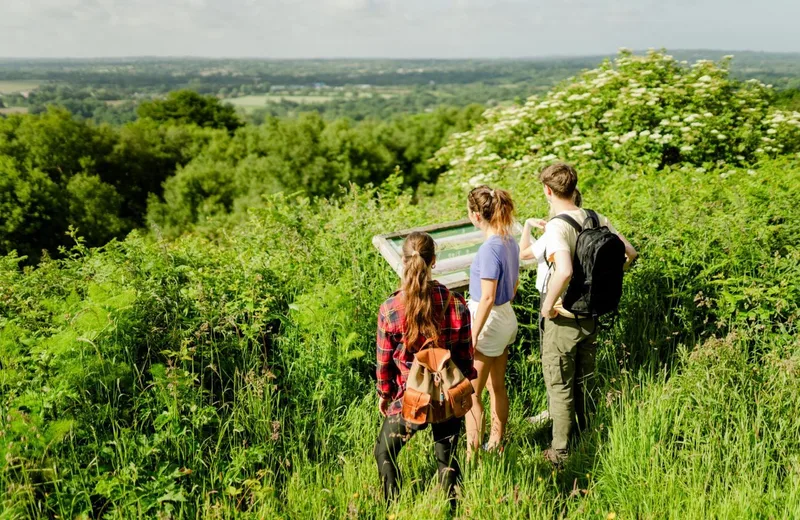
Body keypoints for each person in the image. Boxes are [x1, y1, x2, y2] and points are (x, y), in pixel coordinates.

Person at [535, 163, 638, 467]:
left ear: (548, 190)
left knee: (560, 384)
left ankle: (560, 452)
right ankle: (586, 435)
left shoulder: (557, 226)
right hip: (591, 313)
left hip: (564, 316)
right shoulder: (595, 217)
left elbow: (564, 270)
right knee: (584, 379)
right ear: (574, 186)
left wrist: (547, 306)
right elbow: (630, 253)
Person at [374, 231, 476, 505]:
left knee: (384, 453)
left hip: (411, 401)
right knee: (448, 461)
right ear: (434, 261)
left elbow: (384, 365)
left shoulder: (391, 309)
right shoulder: (455, 303)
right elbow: (466, 358)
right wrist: (464, 386)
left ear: (404, 261)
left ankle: (393, 507)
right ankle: (451, 508)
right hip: (448, 399)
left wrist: (386, 396)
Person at [465, 185, 520, 458]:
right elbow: (513, 288)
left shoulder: (489, 249)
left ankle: (471, 456)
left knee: (471, 396)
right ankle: (497, 442)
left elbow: (487, 298)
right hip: (506, 315)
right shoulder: (510, 241)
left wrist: (473, 334)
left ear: (476, 215)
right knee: (497, 386)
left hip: (488, 321)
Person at [519, 189, 582, 428]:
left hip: (554, 300)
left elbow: (524, 254)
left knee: (554, 365)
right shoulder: (586, 224)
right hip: (583, 302)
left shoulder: (555, 231)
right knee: (577, 367)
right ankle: (577, 420)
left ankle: (557, 421)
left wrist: (526, 226)